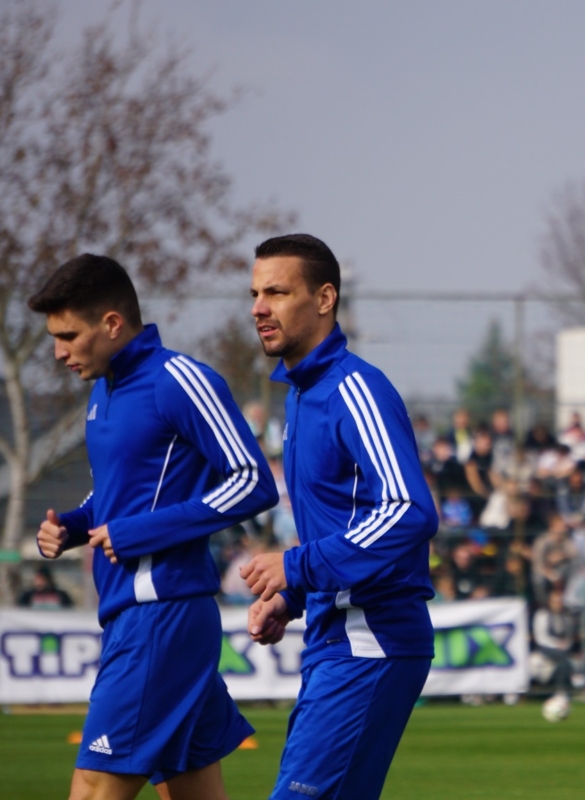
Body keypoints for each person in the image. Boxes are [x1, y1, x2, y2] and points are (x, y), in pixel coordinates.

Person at [29, 254, 277, 800]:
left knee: (93, 788)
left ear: (112, 323)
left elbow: (253, 482)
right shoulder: (103, 391)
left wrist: (141, 532)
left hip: (160, 617)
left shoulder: (179, 381)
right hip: (138, 617)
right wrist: (72, 527)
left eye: (68, 336)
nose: (59, 352)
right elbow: (116, 495)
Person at [240, 234, 439, 800]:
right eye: (255, 294)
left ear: (325, 298)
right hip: (336, 638)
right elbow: (343, 527)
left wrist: (295, 567)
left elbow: (409, 511)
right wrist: (291, 598)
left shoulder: (354, 389)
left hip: (369, 641)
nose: (259, 308)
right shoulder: (302, 397)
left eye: (277, 292)